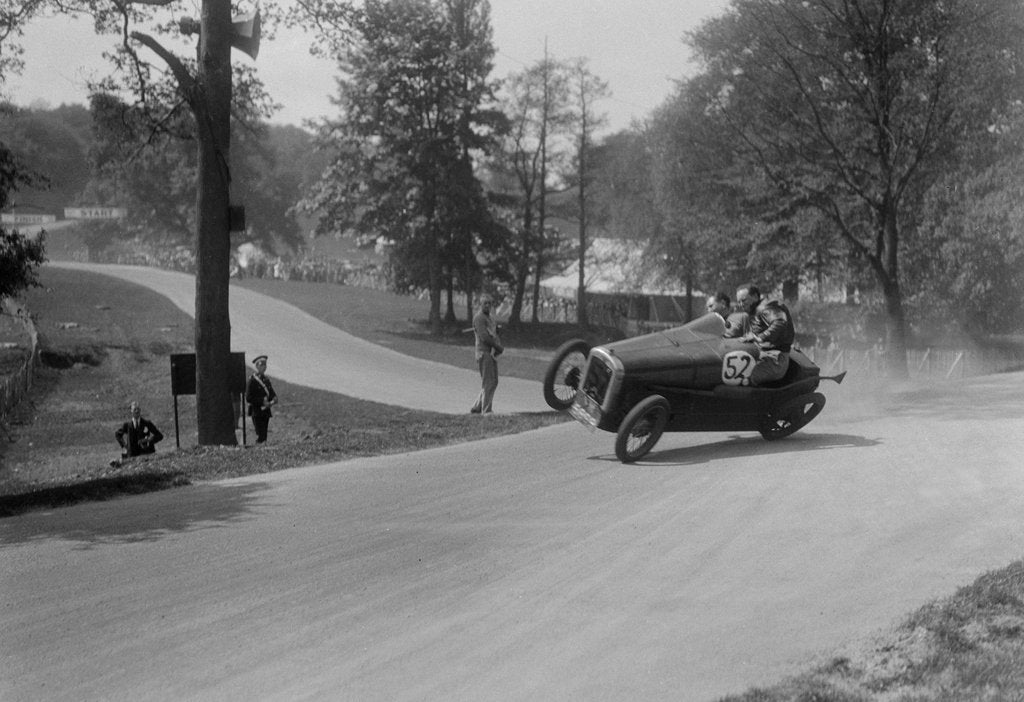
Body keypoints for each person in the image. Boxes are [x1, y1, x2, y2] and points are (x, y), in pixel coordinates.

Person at [735, 284, 795, 385]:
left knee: (742, 380)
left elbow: (780, 322)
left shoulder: (766, 307)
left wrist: (759, 337)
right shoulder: (756, 310)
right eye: (739, 302)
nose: (741, 304)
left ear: (755, 296)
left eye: (744, 300)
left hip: (774, 359)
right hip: (763, 356)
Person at [470, 294, 504, 414]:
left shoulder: (489, 317)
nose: (488, 306)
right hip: (483, 352)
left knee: (493, 381)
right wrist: (497, 346)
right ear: (480, 305)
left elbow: (493, 332)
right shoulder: (479, 318)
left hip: (491, 353)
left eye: (489, 303)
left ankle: (477, 406)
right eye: (485, 303)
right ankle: (486, 410)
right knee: (488, 381)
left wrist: (497, 331)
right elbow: (484, 337)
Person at [113, 401, 163, 465]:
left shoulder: (147, 423)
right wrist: (124, 446)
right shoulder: (127, 425)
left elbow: (159, 435)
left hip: (146, 455)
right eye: (134, 409)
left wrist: (149, 440)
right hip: (132, 456)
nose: (137, 411)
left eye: (138, 409)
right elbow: (117, 434)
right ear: (131, 411)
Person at [245, 354, 278, 443]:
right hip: (256, 411)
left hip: (265, 411)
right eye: (261, 365)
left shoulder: (266, 380)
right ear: (257, 366)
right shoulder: (252, 380)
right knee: (260, 434)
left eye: (265, 365)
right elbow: (248, 398)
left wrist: (274, 398)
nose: (264, 367)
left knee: (264, 435)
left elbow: (271, 393)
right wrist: (262, 402)